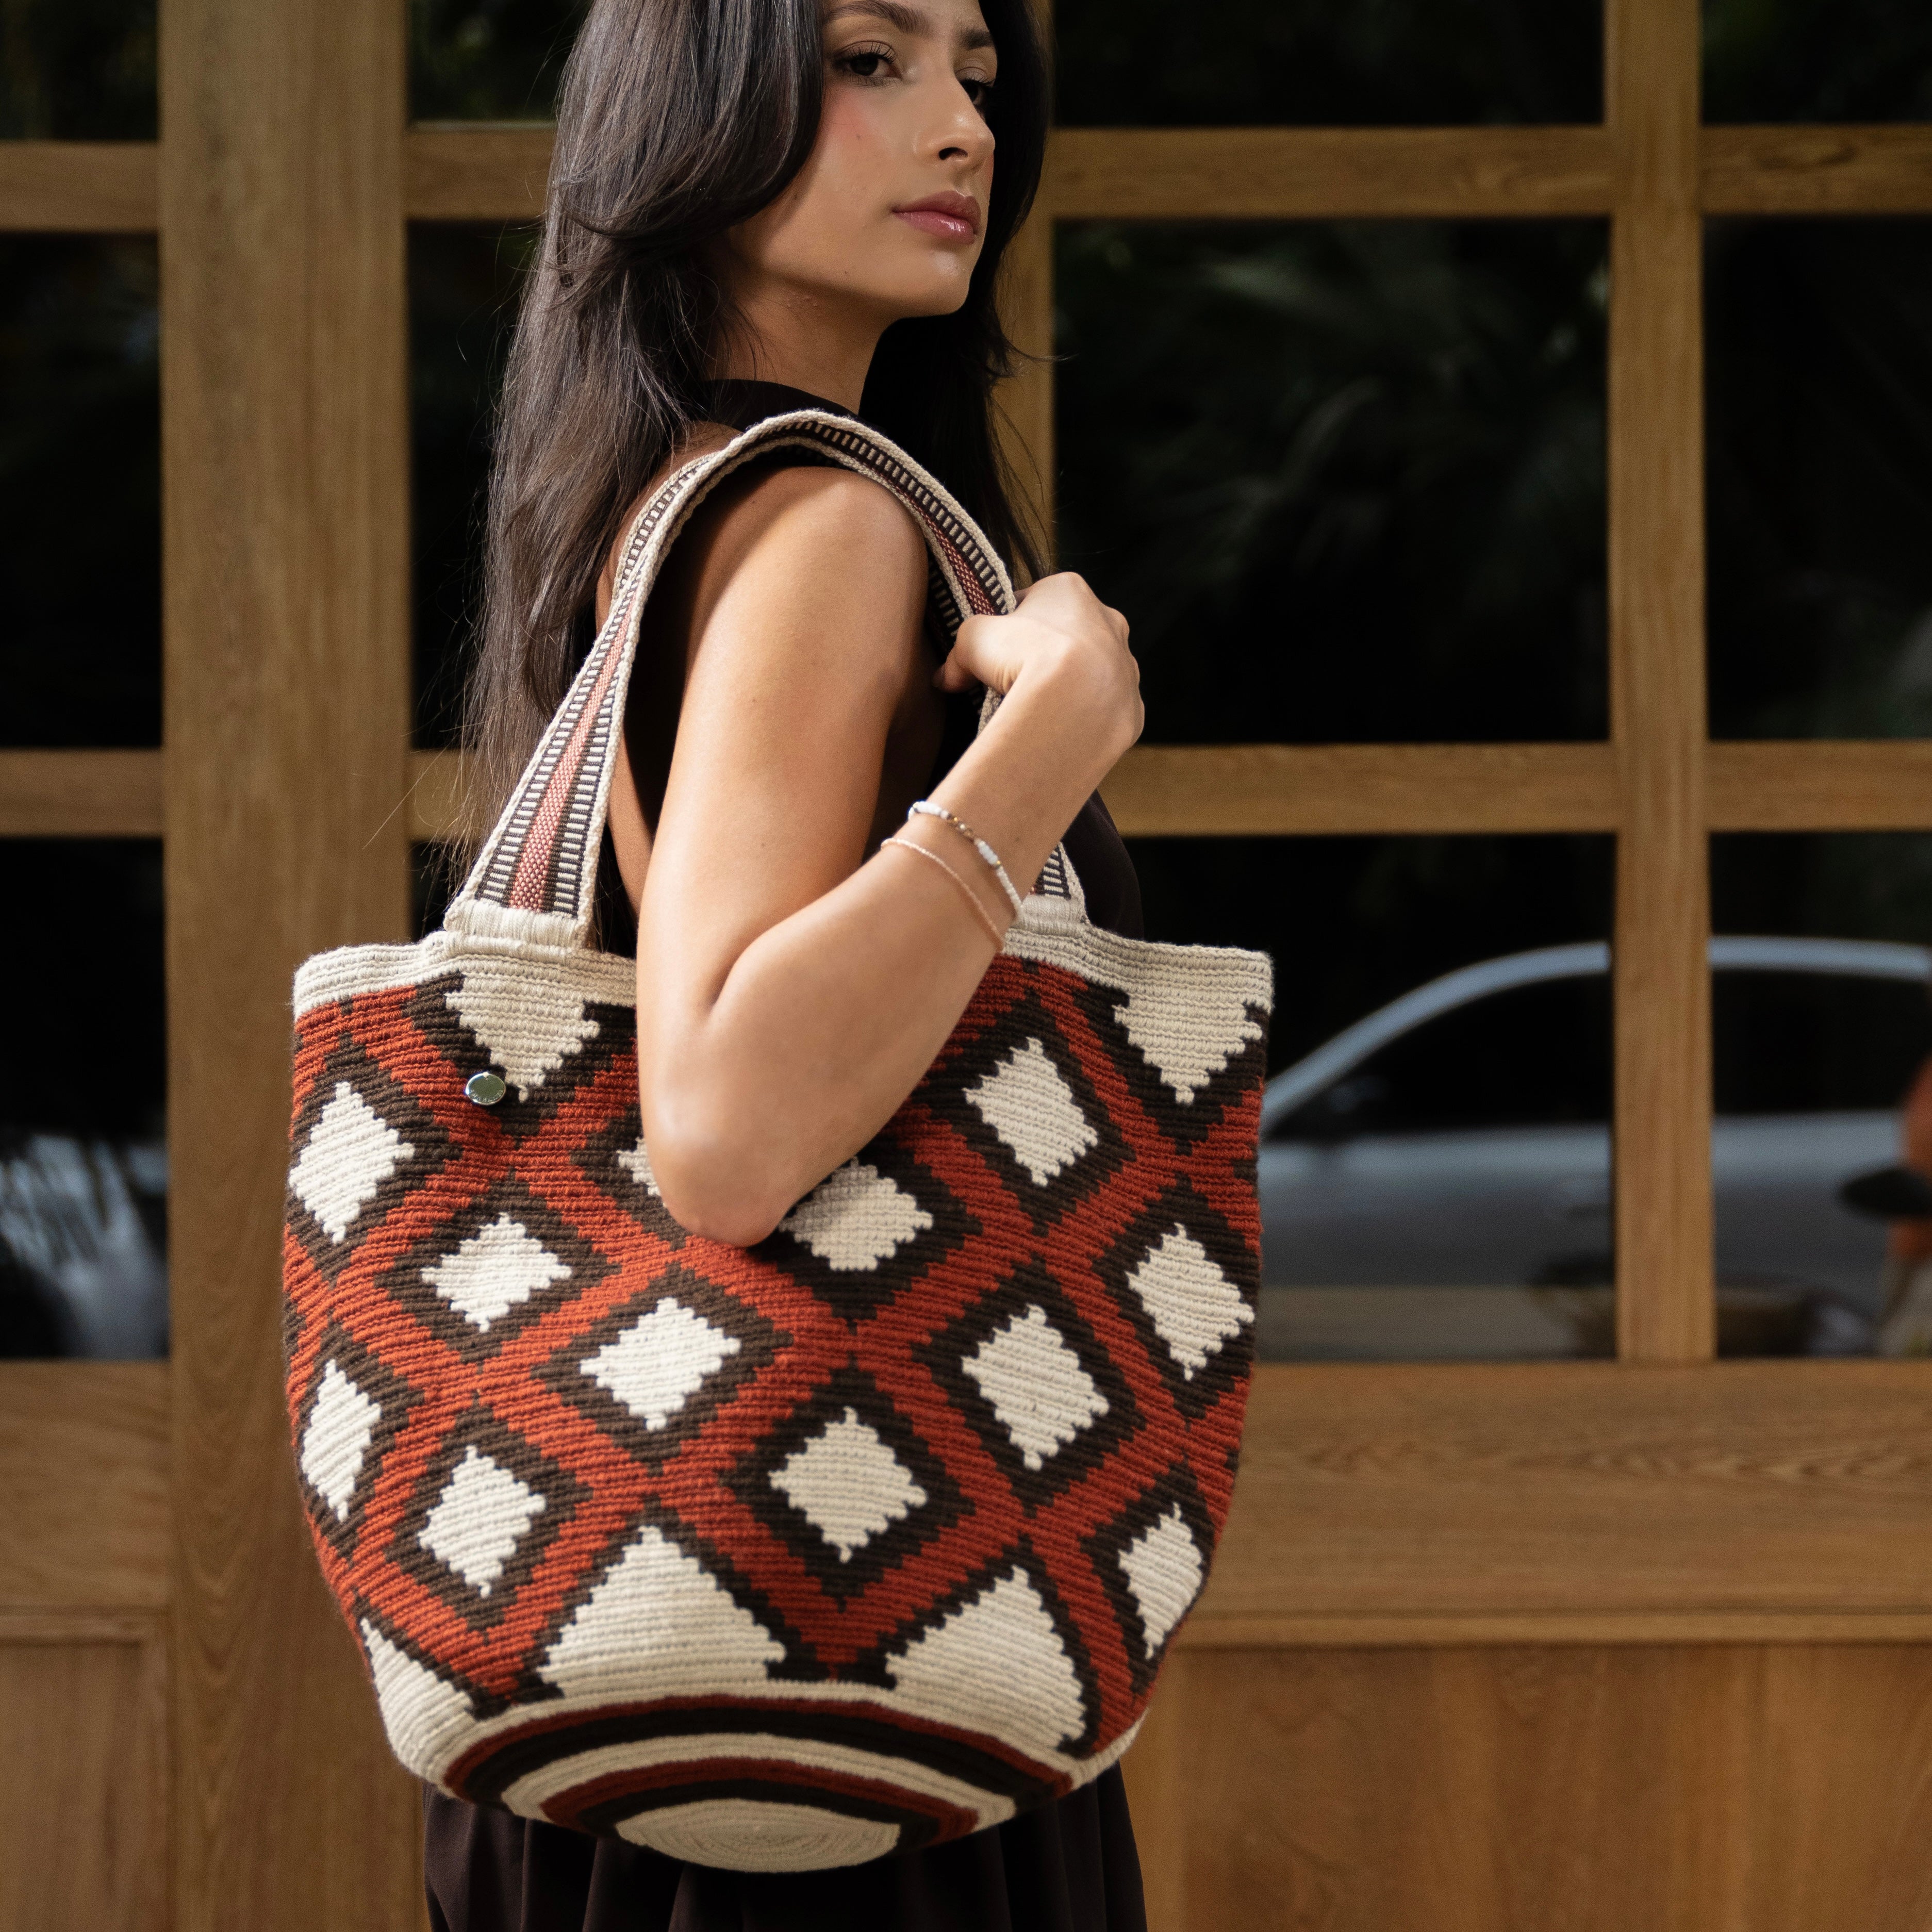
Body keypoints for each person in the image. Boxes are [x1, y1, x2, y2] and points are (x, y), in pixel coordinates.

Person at [427, 0, 1150, 1924]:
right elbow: (729, 1125)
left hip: (660, 1625)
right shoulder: (822, 521)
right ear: (695, 108)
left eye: (974, 70)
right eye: (866, 59)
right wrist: (1052, 742)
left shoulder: (660, 496)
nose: (961, 127)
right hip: (842, 1662)